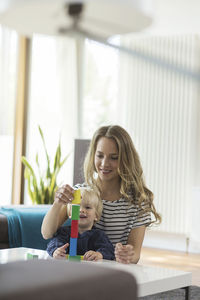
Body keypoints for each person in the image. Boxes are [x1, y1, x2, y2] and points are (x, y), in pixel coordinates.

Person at [42, 125, 161, 264]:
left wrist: (127, 254)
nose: (104, 163)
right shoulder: (80, 192)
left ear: (125, 159)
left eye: (114, 157)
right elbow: (46, 233)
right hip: (77, 270)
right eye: (99, 155)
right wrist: (58, 203)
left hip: (111, 272)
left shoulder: (137, 202)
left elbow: (135, 255)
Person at [46, 187, 115, 261]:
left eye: (88, 207)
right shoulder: (64, 232)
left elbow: (109, 250)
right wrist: (56, 251)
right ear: (70, 214)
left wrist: (99, 254)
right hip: (67, 267)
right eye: (77, 207)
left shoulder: (99, 235)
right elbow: (53, 244)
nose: (81, 210)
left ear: (96, 215)